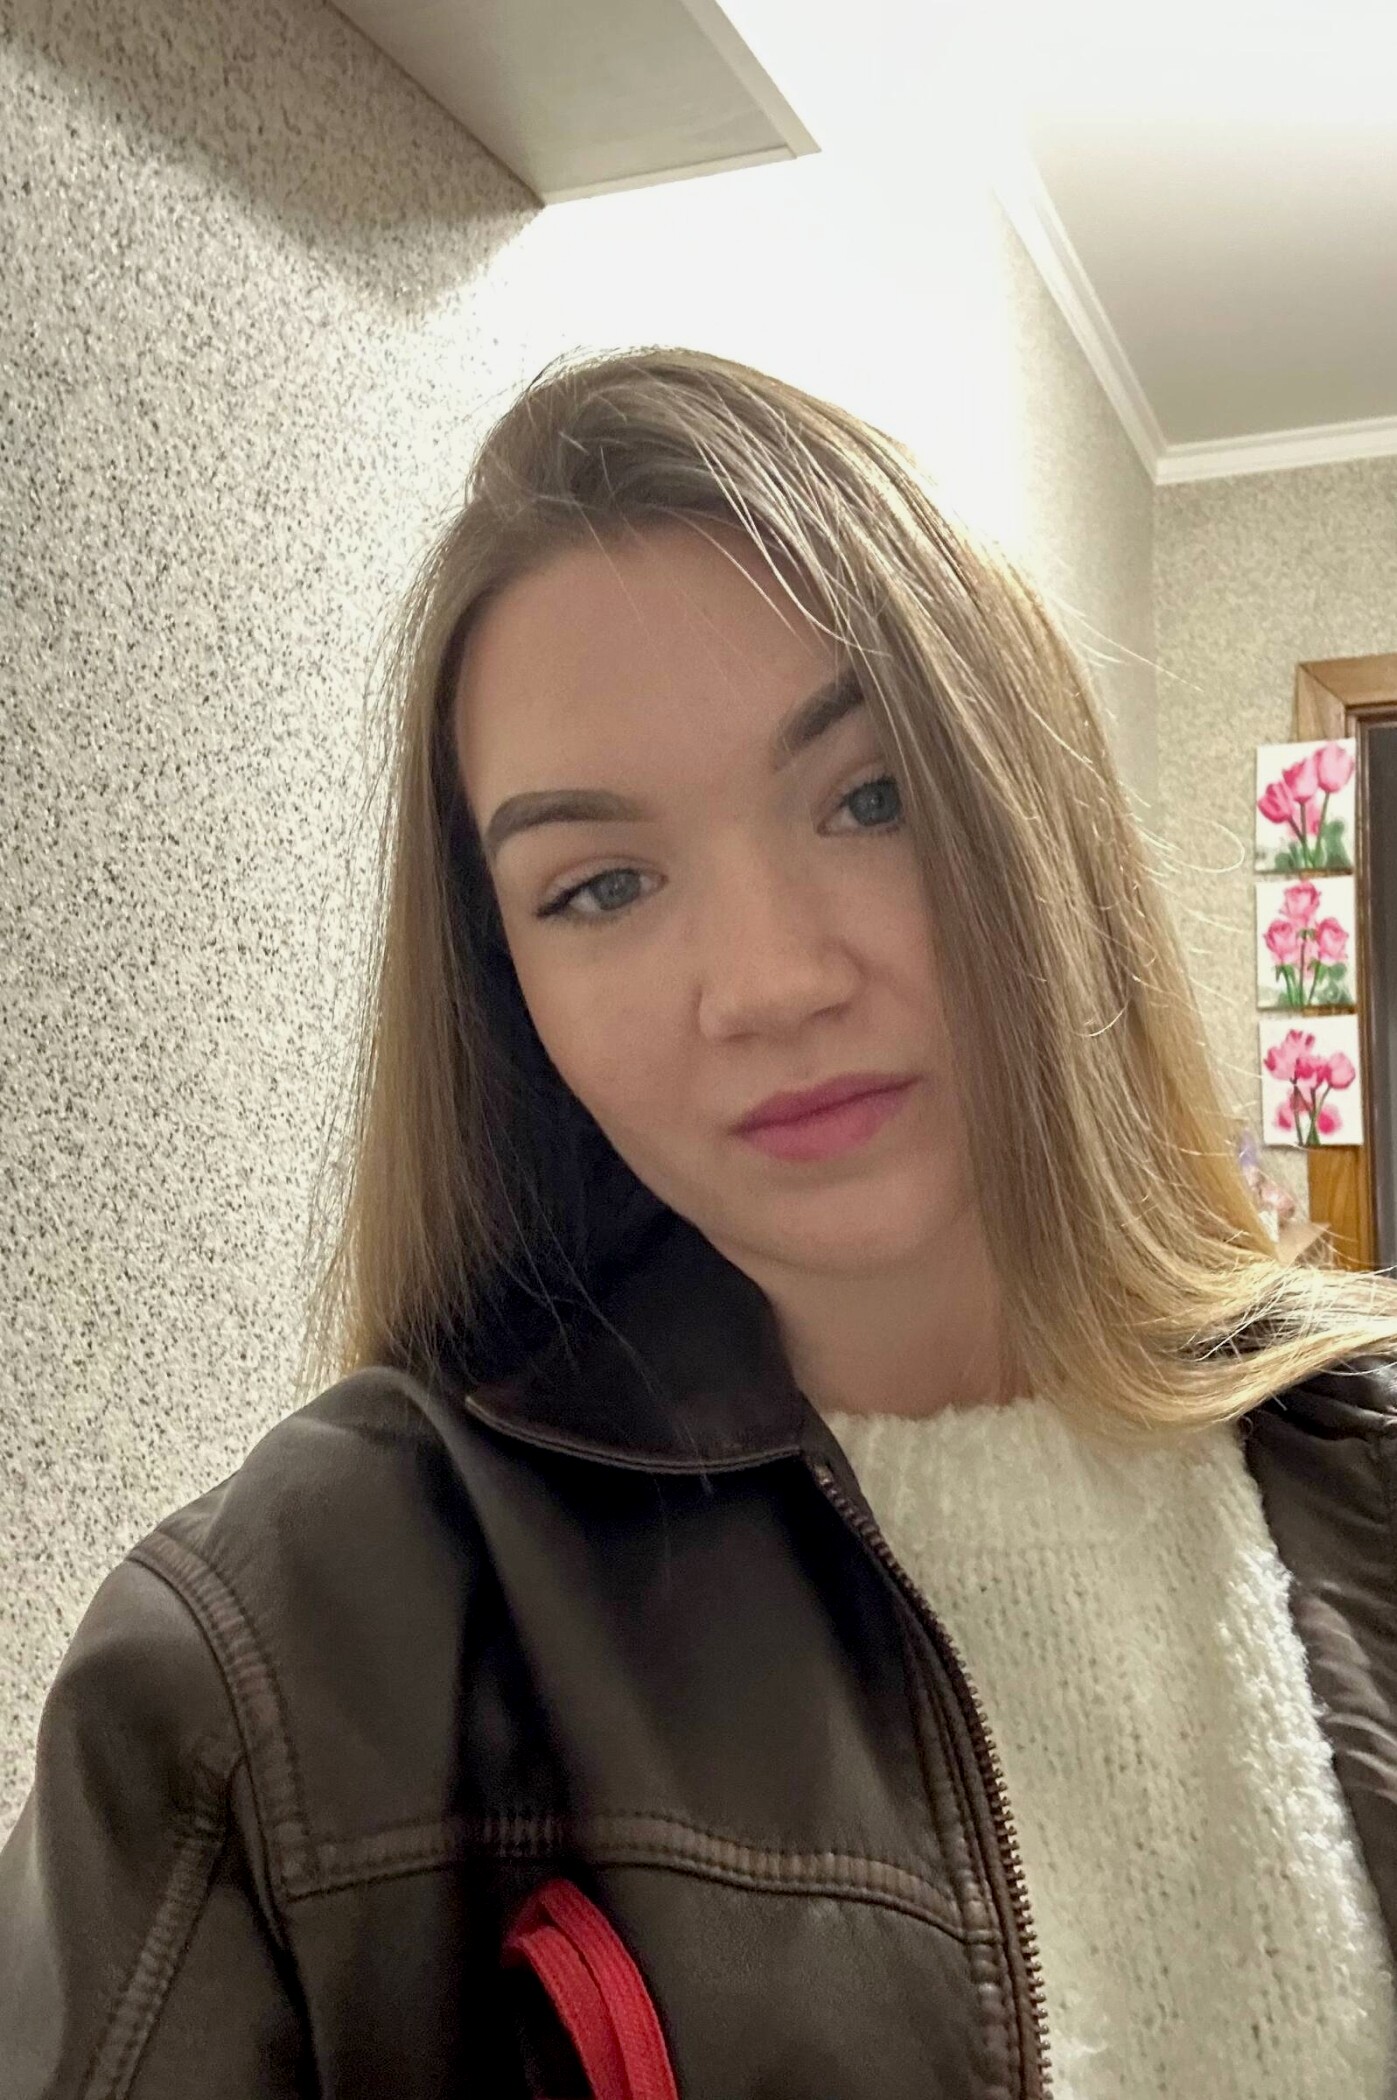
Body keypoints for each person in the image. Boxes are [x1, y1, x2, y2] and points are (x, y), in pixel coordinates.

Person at [4, 345, 1397, 2100]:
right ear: (506, 986)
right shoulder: (275, 1656)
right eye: (600, 886)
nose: (766, 981)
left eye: (869, 798)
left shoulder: (1361, 1457)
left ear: (1026, 813)